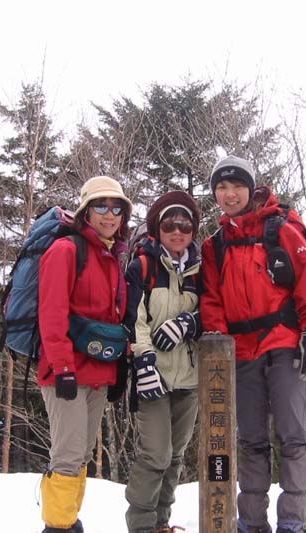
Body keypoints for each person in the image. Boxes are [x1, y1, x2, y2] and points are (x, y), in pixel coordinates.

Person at [199, 156, 306, 533]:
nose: (229, 194)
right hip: (240, 352)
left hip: (285, 344)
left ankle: (292, 519)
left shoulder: (281, 230)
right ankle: (252, 521)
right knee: (251, 440)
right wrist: (217, 341)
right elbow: (211, 300)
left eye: (237, 186)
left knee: (294, 436)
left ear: (251, 188)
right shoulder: (215, 245)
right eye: (221, 188)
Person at [37, 176, 133, 533]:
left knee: (82, 455)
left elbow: (111, 320)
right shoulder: (65, 251)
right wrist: (62, 367)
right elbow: (51, 314)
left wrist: (118, 368)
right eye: (101, 206)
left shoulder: (113, 257)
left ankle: (68, 521)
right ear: (86, 212)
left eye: (117, 208)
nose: (109, 214)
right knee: (67, 455)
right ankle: (57, 527)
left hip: (97, 373)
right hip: (65, 372)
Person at [123, 191, 202, 533]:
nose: (177, 231)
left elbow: (216, 312)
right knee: (155, 454)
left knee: (176, 455)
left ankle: (161, 523)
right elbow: (134, 319)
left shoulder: (201, 270)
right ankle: (141, 525)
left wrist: (189, 323)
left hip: (190, 378)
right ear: (158, 227)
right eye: (170, 224)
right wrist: (144, 363)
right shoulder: (143, 266)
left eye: (185, 225)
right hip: (152, 376)